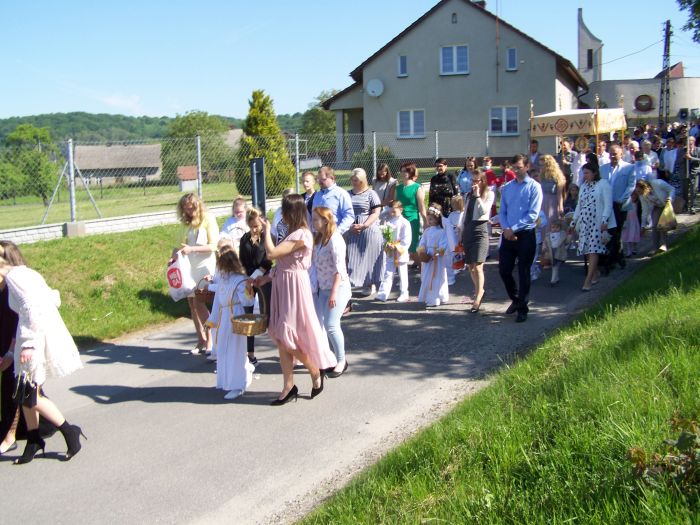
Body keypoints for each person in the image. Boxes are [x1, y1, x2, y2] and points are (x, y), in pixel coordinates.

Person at [0, 247, 85, 464]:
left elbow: (31, 308)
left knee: (30, 394)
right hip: (29, 338)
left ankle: (69, 431)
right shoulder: (24, 274)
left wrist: (28, 344)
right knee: (25, 391)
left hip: (33, 341)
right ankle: (33, 439)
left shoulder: (16, 278)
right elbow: (52, 297)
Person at [255, 194, 336, 405]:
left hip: (294, 287)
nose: (283, 214)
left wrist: (266, 230)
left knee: (286, 335)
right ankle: (288, 386)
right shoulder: (292, 233)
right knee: (282, 340)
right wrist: (267, 277)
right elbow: (282, 263)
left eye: (285, 210)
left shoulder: (303, 235)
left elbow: (272, 253)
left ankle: (314, 370)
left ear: (294, 212)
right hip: (283, 283)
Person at [498, 154, 543, 323]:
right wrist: (505, 228)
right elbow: (502, 211)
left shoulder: (534, 187)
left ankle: (523, 307)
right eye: (513, 167)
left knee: (524, 272)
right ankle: (516, 299)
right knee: (504, 270)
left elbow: (532, 215)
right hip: (508, 234)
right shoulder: (508, 187)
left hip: (525, 234)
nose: (516, 171)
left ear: (526, 166)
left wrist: (513, 229)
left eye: (519, 167)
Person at [205, 248, 254, 400]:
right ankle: (226, 381)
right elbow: (217, 302)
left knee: (235, 351)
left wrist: (247, 290)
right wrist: (212, 320)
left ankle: (238, 385)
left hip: (236, 315)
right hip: (224, 316)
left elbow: (248, 301)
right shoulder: (223, 279)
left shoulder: (240, 279)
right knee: (223, 350)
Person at [174, 193, 219, 355]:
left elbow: (213, 246)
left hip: (204, 266)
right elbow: (178, 245)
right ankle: (201, 339)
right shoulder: (185, 223)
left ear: (198, 206)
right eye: (186, 208)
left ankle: (211, 338)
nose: (189, 210)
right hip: (189, 267)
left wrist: (191, 249)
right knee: (192, 304)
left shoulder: (208, 219)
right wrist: (173, 258)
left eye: (192, 207)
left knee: (201, 302)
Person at [311, 207, 352, 378]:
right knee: (323, 325)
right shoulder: (320, 239)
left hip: (338, 287)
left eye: (316, 219)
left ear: (326, 221)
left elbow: (339, 270)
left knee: (331, 325)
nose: (313, 222)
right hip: (324, 288)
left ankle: (341, 361)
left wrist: (334, 293)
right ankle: (330, 358)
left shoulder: (336, 240)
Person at [570, 163, 616, 291]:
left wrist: (605, 219)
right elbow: (579, 204)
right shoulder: (584, 186)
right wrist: (574, 221)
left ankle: (588, 280)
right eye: (583, 173)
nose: (584, 176)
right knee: (588, 250)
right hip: (585, 222)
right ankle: (595, 273)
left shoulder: (603, 184)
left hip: (597, 222)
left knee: (593, 249)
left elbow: (608, 203)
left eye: (587, 173)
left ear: (594, 173)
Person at [237, 207, 273, 367]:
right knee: (249, 318)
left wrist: (257, 276)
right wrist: (247, 278)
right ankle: (250, 353)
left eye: (257, 226)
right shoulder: (244, 239)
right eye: (251, 226)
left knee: (269, 315)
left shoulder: (267, 237)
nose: (254, 229)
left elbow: (268, 260)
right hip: (249, 281)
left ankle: (283, 349)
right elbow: (242, 261)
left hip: (264, 279)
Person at [345, 168, 384, 296]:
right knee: (352, 257)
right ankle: (353, 282)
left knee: (368, 257)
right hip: (352, 230)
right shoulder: (348, 194)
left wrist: (364, 225)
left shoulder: (371, 194)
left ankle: (369, 283)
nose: (354, 182)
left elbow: (376, 212)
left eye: (356, 180)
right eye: (353, 180)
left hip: (368, 229)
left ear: (362, 180)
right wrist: (349, 225)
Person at [462, 170, 494, 313]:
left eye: (477, 181)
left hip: (480, 230)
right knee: (470, 266)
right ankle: (479, 289)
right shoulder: (467, 195)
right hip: (468, 229)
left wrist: (477, 196)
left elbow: (483, 212)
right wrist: (461, 232)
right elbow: (465, 215)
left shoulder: (489, 194)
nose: (474, 184)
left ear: (483, 181)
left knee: (479, 265)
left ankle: (478, 295)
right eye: (472, 181)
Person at [601, 145, 634, 270]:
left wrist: (622, 199)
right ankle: (614, 258)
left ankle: (616, 257)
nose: (613, 156)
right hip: (607, 205)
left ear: (621, 154)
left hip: (620, 204)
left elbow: (631, 186)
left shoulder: (628, 168)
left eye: (615, 154)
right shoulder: (603, 168)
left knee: (617, 231)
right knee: (610, 232)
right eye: (611, 154)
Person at [377, 201, 412, 302]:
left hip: (400, 252)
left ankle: (404, 293)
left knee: (402, 273)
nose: (391, 214)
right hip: (391, 252)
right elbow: (384, 236)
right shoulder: (389, 222)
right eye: (391, 211)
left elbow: (406, 239)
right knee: (388, 272)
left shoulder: (405, 223)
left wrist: (397, 246)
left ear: (401, 210)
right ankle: (383, 293)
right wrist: (386, 243)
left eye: (394, 211)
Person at [417, 204, 449, 307]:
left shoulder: (441, 232)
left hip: (437, 259)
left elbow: (444, 244)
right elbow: (422, 242)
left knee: (436, 277)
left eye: (431, 219)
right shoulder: (427, 231)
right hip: (428, 257)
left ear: (437, 219)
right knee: (427, 277)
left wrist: (438, 252)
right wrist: (422, 251)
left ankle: (434, 298)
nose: (429, 221)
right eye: (428, 219)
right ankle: (428, 296)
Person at [396, 162, 427, 262]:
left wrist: (426, 221)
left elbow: (422, 207)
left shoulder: (417, 187)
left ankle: (423, 271)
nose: (403, 173)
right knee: (400, 247)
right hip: (399, 221)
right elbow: (395, 205)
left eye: (406, 171)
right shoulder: (398, 188)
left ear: (411, 172)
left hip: (412, 220)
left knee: (413, 248)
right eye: (402, 171)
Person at [311, 166, 355, 234]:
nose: (319, 182)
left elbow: (349, 216)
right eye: (318, 179)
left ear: (332, 178)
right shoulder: (317, 195)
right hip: (319, 236)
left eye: (322, 179)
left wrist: (337, 232)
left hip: (337, 235)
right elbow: (314, 215)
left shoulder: (341, 194)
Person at [641, 178, 675, 252]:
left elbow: (672, 189)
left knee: (662, 225)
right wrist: (643, 225)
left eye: (640, 191)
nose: (639, 193)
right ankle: (655, 247)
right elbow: (645, 210)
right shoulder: (641, 195)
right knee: (654, 226)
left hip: (666, 204)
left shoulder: (658, 183)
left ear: (645, 187)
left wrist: (670, 198)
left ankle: (664, 245)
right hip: (657, 207)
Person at [539, 155, 566, 228]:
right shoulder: (542, 175)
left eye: (543, 165)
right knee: (542, 223)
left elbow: (559, 194)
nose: (541, 167)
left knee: (551, 222)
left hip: (552, 202)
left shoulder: (557, 176)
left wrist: (560, 207)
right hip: (542, 201)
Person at [548, 219, 570, 286]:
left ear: (560, 227)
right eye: (553, 227)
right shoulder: (548, 235)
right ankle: (555, 278)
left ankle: (553, 280)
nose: (554, 229)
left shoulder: (562, 234)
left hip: (559, 252)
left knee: (555, 266)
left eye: (557, 227)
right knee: (554, 266)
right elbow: (546, 243)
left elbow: (567, 242)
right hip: (552, 251)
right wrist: (544, 249)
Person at [622, 188, 642, 256]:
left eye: (635, 195)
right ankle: (629, 250)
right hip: (628, 222)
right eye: (632, 195)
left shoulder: (637, 203)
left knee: (634, 235)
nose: (633, 196)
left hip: (634, 222)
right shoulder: (626, 203)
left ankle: (634, 248)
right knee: (628, 236)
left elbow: (640, 213)